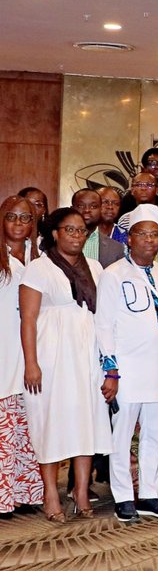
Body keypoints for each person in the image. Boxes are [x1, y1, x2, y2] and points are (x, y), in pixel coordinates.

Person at [19, 208, 111, 522]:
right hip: (52, 357)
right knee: (51, 424)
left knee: (86, 424)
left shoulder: (97, 268)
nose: (75, 235)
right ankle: (49, 493)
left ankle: (82, 491)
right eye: (68, 229)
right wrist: (31, 363)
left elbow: (106, 318)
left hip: (88, 356)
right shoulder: (39, 268)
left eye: (81, 230)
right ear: (55, 233)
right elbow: (28, 320)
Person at [94, 205, 158, 523]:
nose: (149, 240)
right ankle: (124, 496)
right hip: (127, 368)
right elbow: (104, 325)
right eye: (142, 234)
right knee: (122, 435)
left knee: (155, 435)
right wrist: (111, 369)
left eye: (154, 234)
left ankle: (149, 494)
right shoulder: (113, 274)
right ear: (130, 239)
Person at [0, 196, 42, 519]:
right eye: (11, 216)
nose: (17, 223)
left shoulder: (38, 258)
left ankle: (25, 493)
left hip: (31, 349)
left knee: (27, 424)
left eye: (24, 217)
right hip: (4, 348)